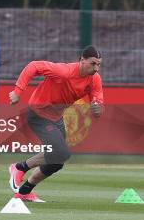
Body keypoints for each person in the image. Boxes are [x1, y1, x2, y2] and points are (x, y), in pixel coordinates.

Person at [7, 46, 103, 202]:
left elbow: (98, 101)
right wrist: (18, 91)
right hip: (38, 113)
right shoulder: (63, 72)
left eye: (99, 64)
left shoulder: (95, 79)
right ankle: (19, 167)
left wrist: (97, 108)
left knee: (57, 162)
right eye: (93, 64)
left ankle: (24, 192)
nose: (96, 68)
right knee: (61, 153)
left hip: (56, 117)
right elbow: (34, 66)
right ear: (82, 60)